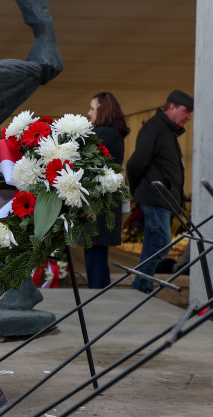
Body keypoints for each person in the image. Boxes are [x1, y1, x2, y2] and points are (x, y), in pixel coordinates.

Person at [126, 90, 193, 293]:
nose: (189, 116)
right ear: (171, 107)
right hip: (155, 198)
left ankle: (142, 288)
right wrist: (135, 191)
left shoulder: (166, 130)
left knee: (154, 243)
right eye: (186, 111)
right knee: (161, 242)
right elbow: (135, 163)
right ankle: (140, 287)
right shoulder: (155, 128)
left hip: (160, 199)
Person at [85, 92, 130, 288]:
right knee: (98, 254)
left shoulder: (102, 134)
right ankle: (99, 292)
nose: (88, 113)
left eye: (93, 108)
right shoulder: (115, 133)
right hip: (108, 202)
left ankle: (97, 296)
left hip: (99, 204)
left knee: (94, 257)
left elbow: (86, 164)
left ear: (103, 110)